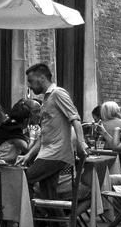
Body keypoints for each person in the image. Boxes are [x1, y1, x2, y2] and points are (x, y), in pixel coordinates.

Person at [22, 63, 85, 196]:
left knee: (25, 179)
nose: (29, 85)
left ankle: (26, 216)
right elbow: (44, 135)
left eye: (31, 81)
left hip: (55, 153)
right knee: (48, 196)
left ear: (42, 79)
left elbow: (74, 117)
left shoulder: (58, 94)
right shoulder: (47, 98)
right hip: (49, 152)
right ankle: (53, 215)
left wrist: (82, 142)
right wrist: (29, 154)